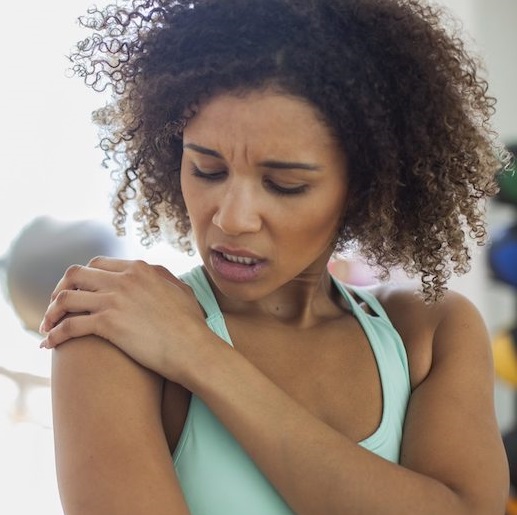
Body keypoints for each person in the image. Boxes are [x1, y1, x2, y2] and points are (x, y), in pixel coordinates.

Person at [39, 0, 512, 513]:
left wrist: (200, 354)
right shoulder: (114, 332)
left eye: (285, 184)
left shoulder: (427, 332)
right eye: (207, 170)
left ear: (365, 188)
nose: (232, 219)